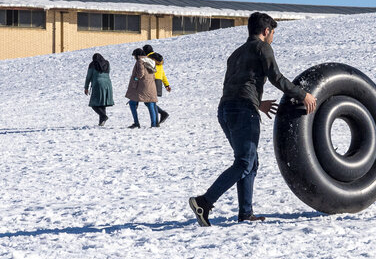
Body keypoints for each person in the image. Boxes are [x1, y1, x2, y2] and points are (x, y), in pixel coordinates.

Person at [189, 12, 317, 226]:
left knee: (250, 162)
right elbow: (276, 77)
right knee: (244, 162)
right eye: (273, 32)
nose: (273, 37)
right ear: (266, 31)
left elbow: (235, 85)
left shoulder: (236, 53)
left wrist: (258, 103)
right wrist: (302, 94)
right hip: (243, 111)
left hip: (226, 110)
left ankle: (245, 212)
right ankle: (204, 201)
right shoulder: (262, 47)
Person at [125, 47, 159, 128]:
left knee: (132, 103)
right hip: (151, 86)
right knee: (151, 103)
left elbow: (141, 74)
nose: (134, 58)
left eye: (134, 56)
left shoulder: (140, 61)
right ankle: (154, 124)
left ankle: (136, 123)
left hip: (142, 87)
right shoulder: (150, 61)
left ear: (137, 55)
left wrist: (135, 79)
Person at [84, 53, 114, 125]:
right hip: (108, 84)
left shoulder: (92, 64)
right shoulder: (107, 63)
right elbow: (108, 72)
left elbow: (88, 77)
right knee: (102, 103)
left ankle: (103, 116)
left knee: (93, 104)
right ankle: (101, 122)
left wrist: (86, 87)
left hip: (98, 84)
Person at [148, 48, 171, 126]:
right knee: (151, 102)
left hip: (152, 81)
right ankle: (161, 115)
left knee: (150, 102)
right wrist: (166, 85)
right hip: (159, 82)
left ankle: (158, 119)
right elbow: (163, 74)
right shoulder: (158, 59)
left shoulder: (149, 58)